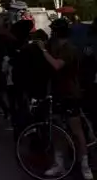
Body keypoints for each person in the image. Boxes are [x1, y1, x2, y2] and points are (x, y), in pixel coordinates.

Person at [37, 19, 92, 180]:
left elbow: (56, 65)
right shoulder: (55, 47)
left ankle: (85, 165)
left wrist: (43, 51)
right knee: (56, 128)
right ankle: (59, 163)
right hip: (57, 92)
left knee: (76, 130)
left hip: (70, 93)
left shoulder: (69, 49)